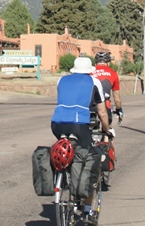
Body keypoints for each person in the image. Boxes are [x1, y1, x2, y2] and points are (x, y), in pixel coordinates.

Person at [51, 57, 113, 225]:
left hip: (56, 124)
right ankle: (86, 210)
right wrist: (107, 129)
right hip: (79, 125)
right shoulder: (94, 82)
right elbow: (102, 111)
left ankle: (64, 177)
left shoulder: (61, 80)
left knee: (68, 149)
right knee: (90, 157)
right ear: (90, 70)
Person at [91, 52, 124, 124]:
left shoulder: (89, 71)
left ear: (95, 63)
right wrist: (119, 109)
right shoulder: (113, 73)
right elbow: (117, 98)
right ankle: (106, 133)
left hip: (89, 103)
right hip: (105, 103)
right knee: (107, 127)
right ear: (108, 63)